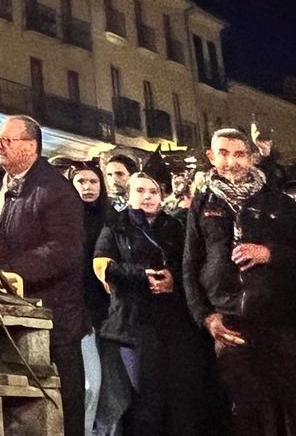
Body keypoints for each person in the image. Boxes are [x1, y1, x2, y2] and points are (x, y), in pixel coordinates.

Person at [182, 128, 296, 436]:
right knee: (244, 411)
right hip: (230, 323)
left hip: (280, 320)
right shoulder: (201, 204)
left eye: (239, 154)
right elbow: (190, 265)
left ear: (251, 157)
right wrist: (205, 317)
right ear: (211, 156)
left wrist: (269, 253)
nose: (231, 162)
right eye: (223, 153)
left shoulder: (278, 201)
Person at [0, 116, 85, 436]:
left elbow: (64, 249)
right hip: (7, 311)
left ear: (31, 146)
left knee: (60, 403)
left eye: (7, 141)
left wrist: (8, 271)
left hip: (52, 317)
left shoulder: (55, 190)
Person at [92, 172, 212, 436]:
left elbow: (193, 266)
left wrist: (173, 280)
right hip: (131, 326)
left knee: (178, 403)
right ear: (129, 195)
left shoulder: (177, 227)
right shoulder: (115, 226)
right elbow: (103, 265)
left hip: (173, 326)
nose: (147, 197)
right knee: (142, 404)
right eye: (140, 191)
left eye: (153, 191)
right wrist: (140, 275)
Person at [68, 163, 108, 436]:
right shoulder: (65, 220)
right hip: (76, 311)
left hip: (108, 311)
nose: (87, 187)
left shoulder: (111, 219)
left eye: (93, 181)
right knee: (88, 384)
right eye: (81, 181)